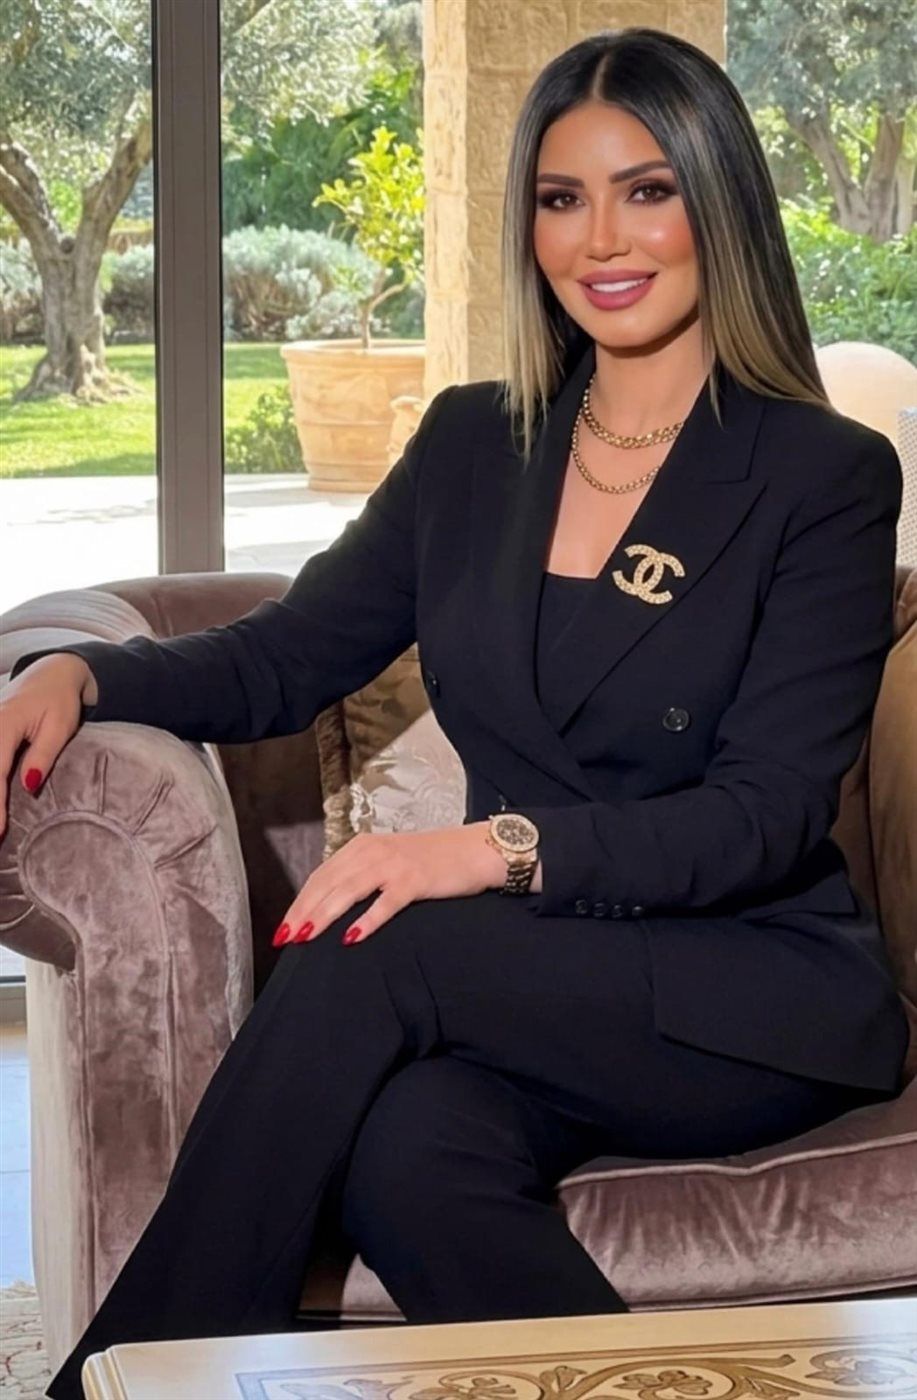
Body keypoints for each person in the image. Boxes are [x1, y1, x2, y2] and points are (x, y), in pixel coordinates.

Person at [0, 26, 909, 1400]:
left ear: (718, 203)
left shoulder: (821, 473)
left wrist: (489, 850)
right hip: (530, 979)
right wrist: (82, 672)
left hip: (745, 984)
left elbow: (764, 814)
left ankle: (114, 1385)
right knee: (408, 1157)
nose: (601, 238)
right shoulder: (476, 444)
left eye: (647, 190)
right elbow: (288, 656)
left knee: (381, 940)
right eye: (561, 198)